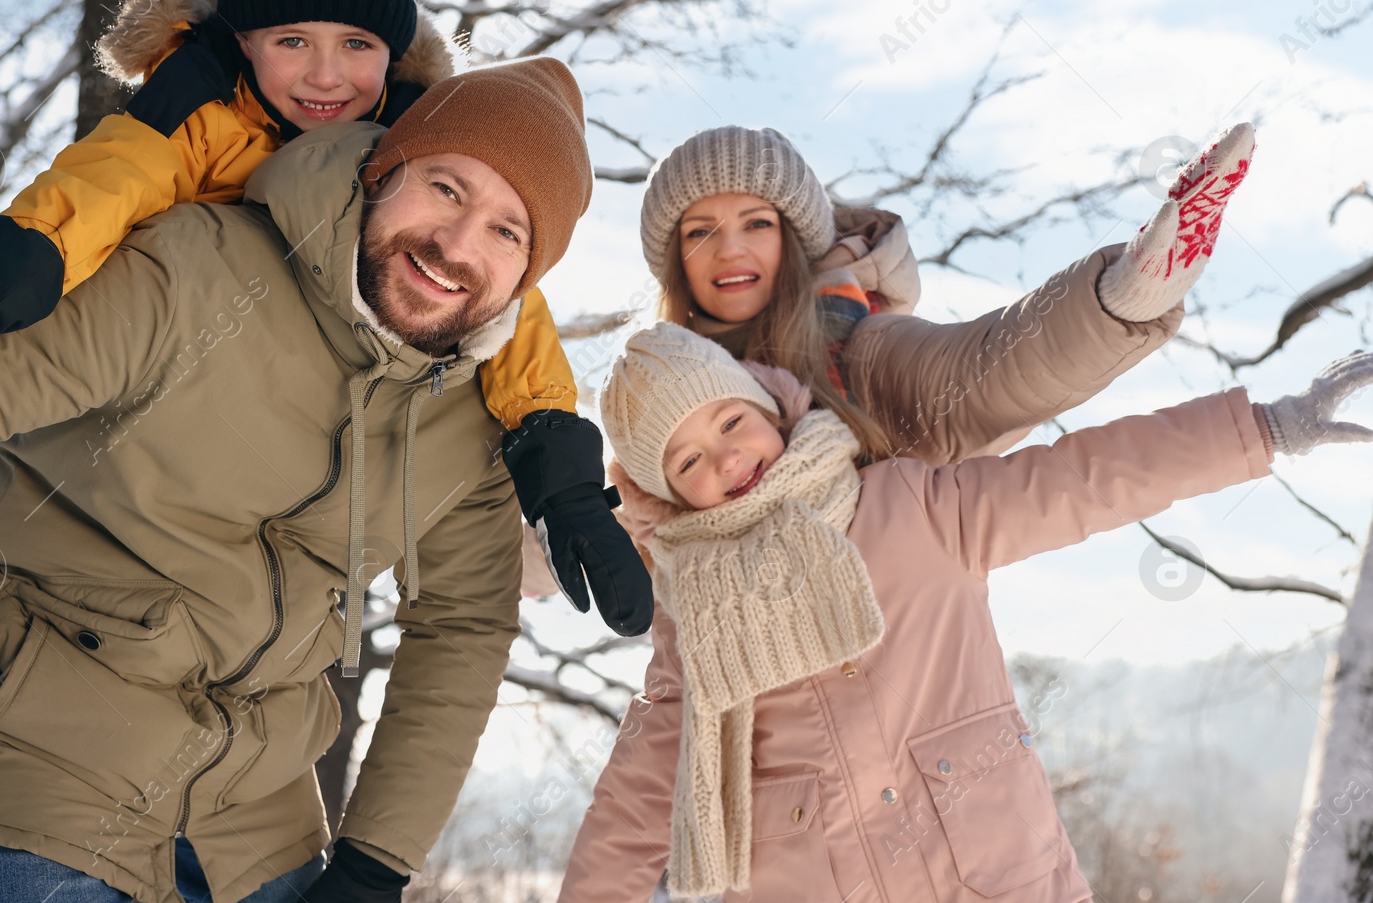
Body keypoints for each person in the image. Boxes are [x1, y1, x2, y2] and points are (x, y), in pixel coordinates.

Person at [0, 57, 593, 903]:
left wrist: (374, 861)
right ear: (382, 171)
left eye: (509, 231)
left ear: (528, 276)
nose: (458, 246)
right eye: (447, 188)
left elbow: (463, 624)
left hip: (257, 810)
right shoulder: (192, 272)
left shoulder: (475, 405)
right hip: (43, 755)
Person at [0, 0, 651, 641]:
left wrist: (559, 465)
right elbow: (96, 188)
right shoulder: (194, 111)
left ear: (393, 53)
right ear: (242, 38)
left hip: (229, 455)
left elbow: (507, 308)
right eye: (291, 40)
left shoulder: (406, 148)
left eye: (356, 42)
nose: (326, 75)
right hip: (84, 388)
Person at [558, 323, 1373, 901]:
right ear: (664, 495)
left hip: (995, 873)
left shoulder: (912, 504)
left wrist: (1263, 428)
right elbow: (637, 794)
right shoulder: (688, 612)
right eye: (688, 459)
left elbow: (1079, 478)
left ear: (772, 408)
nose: (728, 458)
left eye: (730, 420)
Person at [638, 121, 1255, 462]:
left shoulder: (860, 350)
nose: (729, 250)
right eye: (700, 232)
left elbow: (978, 369)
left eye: (757, 224)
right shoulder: (652, 395)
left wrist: (1114, 301)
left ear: (794, 242)